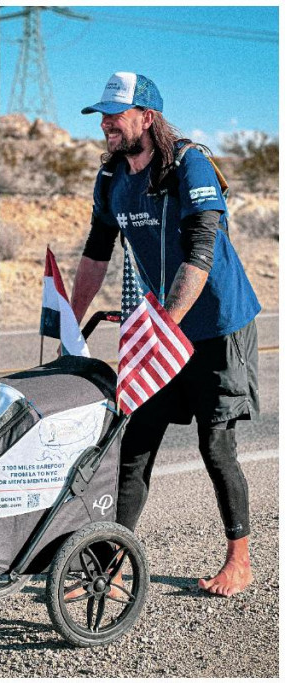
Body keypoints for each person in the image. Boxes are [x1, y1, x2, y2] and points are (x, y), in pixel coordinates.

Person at [70, 72, 260, 596]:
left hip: (218, 327)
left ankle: (238, 562)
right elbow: (95, 253)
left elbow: (201, 249)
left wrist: (166, 326)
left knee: (215, 445)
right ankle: (108, 565)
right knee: (134, 444)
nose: (106, 123)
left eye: (117, 114)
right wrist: (67, 322)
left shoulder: (189, 163)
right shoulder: (112, 178)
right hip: (163, 328)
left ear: (147, 118)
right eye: (101, 115)